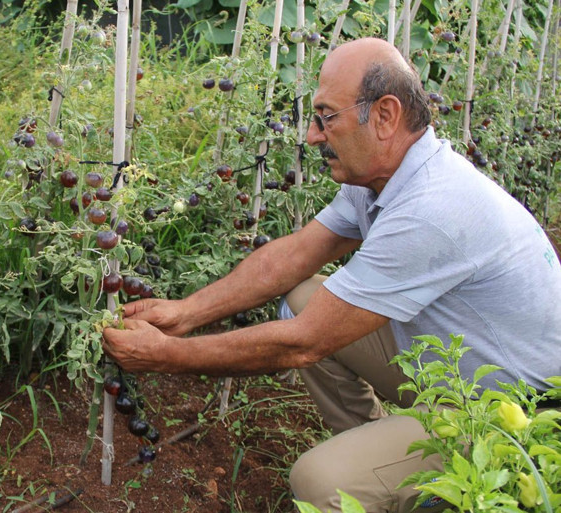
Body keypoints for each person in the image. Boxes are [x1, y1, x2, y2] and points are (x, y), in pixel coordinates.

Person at [102, 37, 561, 512]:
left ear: (384, 116)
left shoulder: (431, 208)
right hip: (461, 373)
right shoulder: (383, 177)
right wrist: (186, 312)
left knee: (322, 483)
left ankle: (403, 484)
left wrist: (167, 355)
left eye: (326, 117)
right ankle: (379, 456)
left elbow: (303, 344)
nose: (312, 136)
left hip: (518, 417)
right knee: (303, 297)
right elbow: (294, 256)